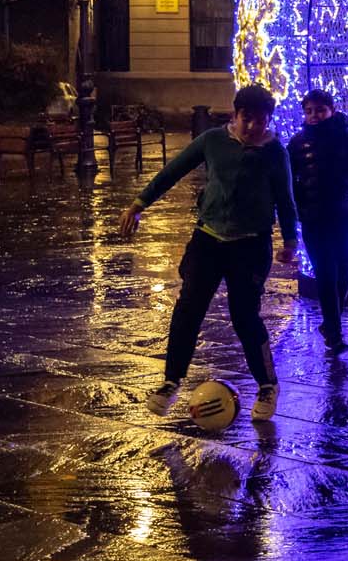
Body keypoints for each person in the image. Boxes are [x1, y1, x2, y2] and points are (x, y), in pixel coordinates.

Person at [121, 84, 298, 396]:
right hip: (208, 238)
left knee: (244, 316)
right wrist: (139, 204)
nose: (255, 127)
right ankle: (170, 381)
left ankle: (267, 385)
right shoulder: (213, 140)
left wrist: (289, 241)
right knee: (188, 308)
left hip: (250, 244)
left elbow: (286, 199)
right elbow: (172, 171)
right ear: (235, 114)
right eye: (248, 119)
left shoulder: (274, 152)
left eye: (262, 121)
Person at [286, 89, 348, 355]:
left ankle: (330, 321)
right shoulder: (298, 142)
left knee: (345, 265)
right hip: (313, 216)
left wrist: (346, 184)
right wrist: (297, 203)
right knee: (325, 270)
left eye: (320, 110)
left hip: (343, 212)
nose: (314, 116)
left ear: (331, 110)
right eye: (309, 111)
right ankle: (334, 333)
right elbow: (288, 179)